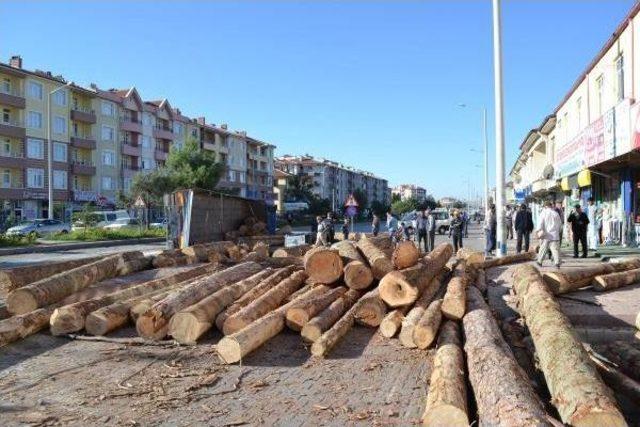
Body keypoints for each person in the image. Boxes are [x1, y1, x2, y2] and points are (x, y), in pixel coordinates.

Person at [536, 200, 563, 268]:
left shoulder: (543, 213)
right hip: (555, 235)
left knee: (543, 249)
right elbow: (560, 225)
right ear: (550, 206)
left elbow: (540, 223)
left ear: (545, 206)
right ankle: (557, 263)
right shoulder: (556, 213)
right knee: (555, 250)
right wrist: (558, 232)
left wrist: (538, 231)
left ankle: (539, 261)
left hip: (546, 235)